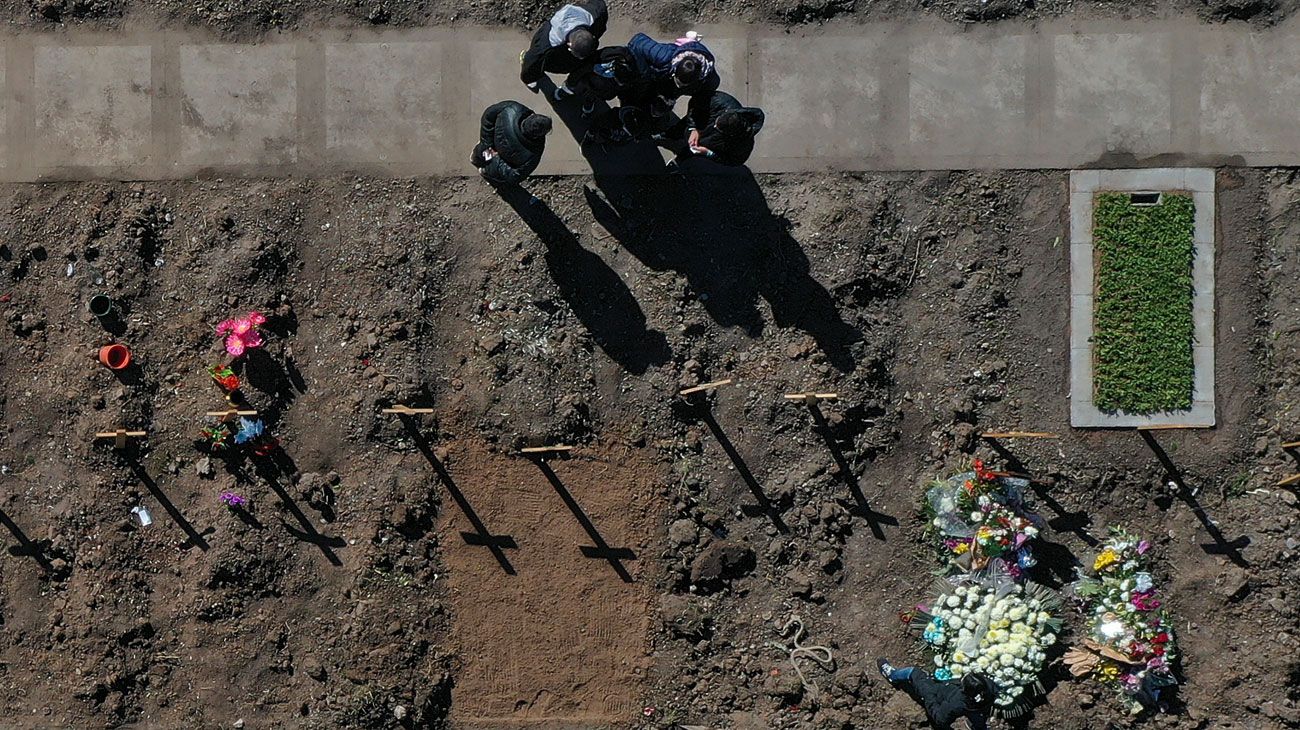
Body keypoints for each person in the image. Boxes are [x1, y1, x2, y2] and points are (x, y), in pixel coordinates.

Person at [876, 658, 995, 730]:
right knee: (979, 721)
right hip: (976, 709)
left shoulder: (957, 703)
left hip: (938, 694)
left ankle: (892, 675)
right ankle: (978, 727)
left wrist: (929, 698)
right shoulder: (988, 688)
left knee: (913, 672)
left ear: (965, 689)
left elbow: (940, 718)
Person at [520, 0, 609, 93]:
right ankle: (531, 72)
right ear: (569, 45)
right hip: (551, 45)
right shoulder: (545, 45)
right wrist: (528, 77)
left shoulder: (598, 13)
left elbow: (600, 4)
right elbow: (532, 59)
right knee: (537, 62)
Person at [674, 91, 764, 166]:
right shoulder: (720, 101)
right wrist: (693, 128)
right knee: (676, 130)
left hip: (705, 146)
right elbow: (696, 102)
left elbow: (733, 161)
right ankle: (668, 135)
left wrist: (708, 153)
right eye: (716, 122)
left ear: (730, 134)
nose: (714, 126)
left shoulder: (743, 145)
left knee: (689, 152)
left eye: (718, 128)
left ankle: (683, 156)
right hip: (690, 125)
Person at [471, 101, 552, 185]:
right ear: (536, 136)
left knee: (480, 154)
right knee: (491, 171)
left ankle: (476, 159)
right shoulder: (534, 152)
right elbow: (515, 176)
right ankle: (485, 171)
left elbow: (488, 116)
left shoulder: (512, 109)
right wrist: (496, 159)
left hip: (489, 148)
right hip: (500, 164)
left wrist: (487, 144)